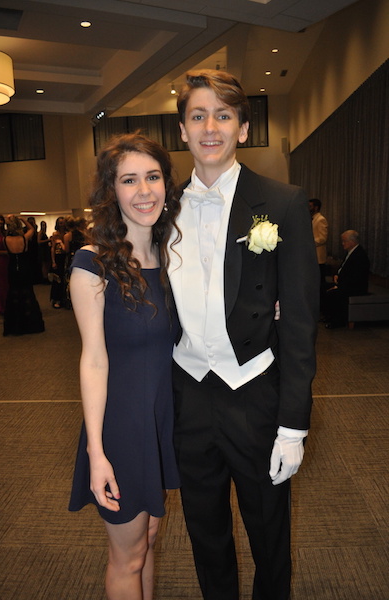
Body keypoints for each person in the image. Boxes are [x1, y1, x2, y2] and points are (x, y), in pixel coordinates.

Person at [168, 70, 319, 600]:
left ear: (244, 128)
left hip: (255, 392)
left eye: (224, 115)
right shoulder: (158, 209)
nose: (211, 127)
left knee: (269, 535)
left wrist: (293, 426)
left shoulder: (280, 203)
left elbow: (299, 323)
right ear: (182, 130)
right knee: (204, 537)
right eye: (198, 115)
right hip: (188, 393)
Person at [68, 132, 181, 600]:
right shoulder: (91, 264)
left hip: (164, 419)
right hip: (123, 426)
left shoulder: (172, 255)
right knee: (127, 556)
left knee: (150, 540)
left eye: (152, 177)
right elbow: (93, 360)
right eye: (129, 180)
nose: (144, 191)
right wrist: (97, 453)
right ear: (111, 192)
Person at [3, 215, 45, 336]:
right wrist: (22, 219)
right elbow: (32, 229)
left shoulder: (5, 239)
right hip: (24, 268)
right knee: (27, 292)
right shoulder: (24, 238)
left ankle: (15, 324)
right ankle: (30, 323)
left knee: (13, 293)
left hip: (12, 269)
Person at [323, 229, 370, 328]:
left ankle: (338, 321)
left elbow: (356, 278)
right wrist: (337, 275)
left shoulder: (359, 255)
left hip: (355, 287)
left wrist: (339, 286)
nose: (342, 243)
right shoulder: (350, 252)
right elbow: (343, 269)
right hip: (346, 283)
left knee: (335, 294)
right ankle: (329, 316)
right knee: (323, 287)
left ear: (352, 242)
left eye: (344, 241)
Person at [309, 198, 328, 297]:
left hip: (319, 257)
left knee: (320, 281)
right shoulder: (311, 218)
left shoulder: (321, 219)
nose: (308, 208)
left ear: (316, 208)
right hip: (312, 256)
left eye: (310, 206)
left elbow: (322, 238)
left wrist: (309, 242)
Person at [50, 216, 67, 308]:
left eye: (63, 222)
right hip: (57, 257)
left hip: (65, 256)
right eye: (60, 222)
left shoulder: (67, 234)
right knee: (57, 279)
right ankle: (57, 299)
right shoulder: (55, 234)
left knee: (65, 278)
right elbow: (52, 248)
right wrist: (53, 261)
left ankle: (64, 298)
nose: (62, 224)